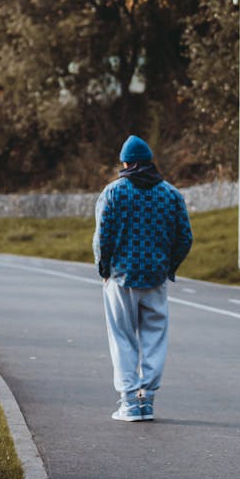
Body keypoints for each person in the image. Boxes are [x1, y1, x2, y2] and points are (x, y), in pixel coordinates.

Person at [93, 134, 193, 422]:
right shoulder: (171, 194)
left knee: (122, 338)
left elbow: (103, 237)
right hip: (156, 279)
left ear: (126, 163)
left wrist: (104, 270)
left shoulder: (114, 192)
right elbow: (185, 237)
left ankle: (128, 403)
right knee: (154, 338)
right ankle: (146, 400)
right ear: (150, 162)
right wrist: (169, 267)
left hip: (120, 278)